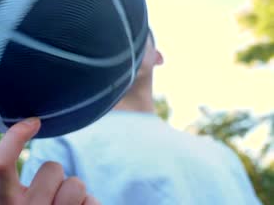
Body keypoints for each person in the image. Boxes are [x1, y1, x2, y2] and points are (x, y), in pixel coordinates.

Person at [18, 32, 262, 204]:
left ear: (157, 56)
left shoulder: (220, 153)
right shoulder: (63, 141)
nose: (124, 37)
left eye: (137, 31)